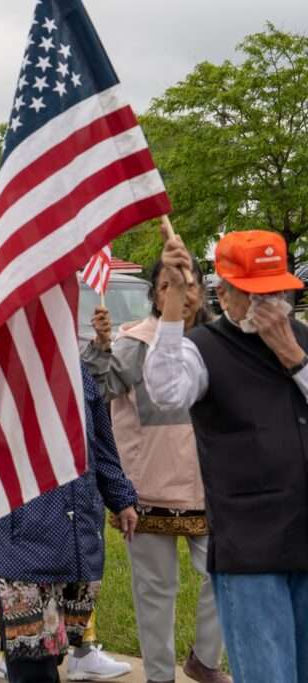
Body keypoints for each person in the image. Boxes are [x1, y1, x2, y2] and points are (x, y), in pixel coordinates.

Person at [144, 229, 308, 683]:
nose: (269, 304)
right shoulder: (205, 347)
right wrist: (174, 300)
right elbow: (166, 391)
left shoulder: (300, 339)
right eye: (256, 294)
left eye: (276, 293)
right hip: (251, 546)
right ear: (225, 292)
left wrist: (293, 355)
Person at [0, 362, 138, 683]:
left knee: (53, 651)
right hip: (15, 541)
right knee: (31, 661)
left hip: (74, 536)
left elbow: (101, 447)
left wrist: (121, 498)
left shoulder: (77, 370)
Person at [83, 259, 229, 683]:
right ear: (154, 295)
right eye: (167, 287)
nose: (179, 295)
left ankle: (205, 660)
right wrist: (101, 348)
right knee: (155, 591)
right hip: (147, 488)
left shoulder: (219, 343)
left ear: (201, 291)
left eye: (186, 285)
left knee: (226, 574)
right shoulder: (136, 343)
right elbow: (98, 390)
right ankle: (160, 676)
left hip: (213, 485)